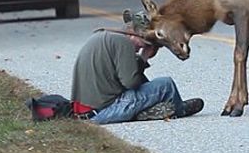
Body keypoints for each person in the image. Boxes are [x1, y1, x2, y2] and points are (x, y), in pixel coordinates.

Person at [70, 9, 204, 124]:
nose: (143, 47)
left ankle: (149, 110)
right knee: (166, 84)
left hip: (85, 112)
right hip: (104, 111)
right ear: (131, 34)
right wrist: (144, 57)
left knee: (150, 87)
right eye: (144, 43)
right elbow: (131, 83)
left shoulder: (105, 37)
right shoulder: (123, 43)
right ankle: (179, 110)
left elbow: (128, 80)